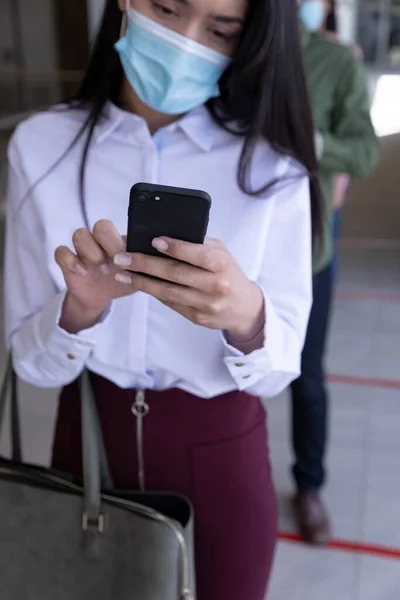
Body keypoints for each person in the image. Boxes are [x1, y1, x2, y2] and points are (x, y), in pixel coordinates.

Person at [4, 0, 322, 598]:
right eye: (168, 8)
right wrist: (80, 312)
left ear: (247, 42)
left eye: (221, 29)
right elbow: (29, 362)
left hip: (223, 452)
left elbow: (279, 370)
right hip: (88, 440)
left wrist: (246, 318)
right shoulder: (41, 147)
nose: (184, 41)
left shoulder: (273, 167)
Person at [292, 0, 379, 545]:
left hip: (307, 250)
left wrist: (319, 145)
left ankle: (310, 485)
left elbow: (366, 153)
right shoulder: (228, 54)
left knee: (307, 378)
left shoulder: (334, 62)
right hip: (231, 251)